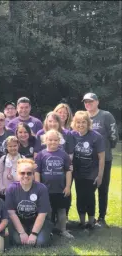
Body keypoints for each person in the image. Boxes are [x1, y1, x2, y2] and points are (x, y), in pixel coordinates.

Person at [82, 92, 119, 227]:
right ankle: (88, 217)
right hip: (87, 160)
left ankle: (101, 218)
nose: (88, 104)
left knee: (102, 188)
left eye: (91, 101)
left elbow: (114, 135)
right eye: (86, 102)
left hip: (105, 159)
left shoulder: (105, 115)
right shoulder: (83, 117)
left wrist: (107, 148)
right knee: (87, 189)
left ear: (97, 102)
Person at [34, 130, 73, 238]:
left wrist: (68, 186)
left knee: (62, 210)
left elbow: (68, 171)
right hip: (46, 189)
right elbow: (37, 172)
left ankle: (63, 230)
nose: (53, 142)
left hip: (61, 189)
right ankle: (48, 230)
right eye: (50, 140)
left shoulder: (63, 154)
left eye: (56, 140)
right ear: (45, 140)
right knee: (48, 211)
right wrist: (38, 187)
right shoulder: (41, 155)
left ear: (59, 141)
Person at [6, 158, 53, 247]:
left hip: (38, 221)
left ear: (33, 174)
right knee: (18, 242)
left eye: (29, 173)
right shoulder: (11, 189)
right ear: (17, 174)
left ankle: (47, 233)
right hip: (20, 222)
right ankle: (25, 232)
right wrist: (22, 232)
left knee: (40, 243)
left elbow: (42, 214)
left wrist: (34, 234)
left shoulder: (41, 188)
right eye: (22, 173)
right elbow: (11, 213)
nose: (26, 176)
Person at [71, 111, 105, 229]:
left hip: (92, 172)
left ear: (88, 123)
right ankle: (82, 222)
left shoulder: (96, 136)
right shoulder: (72, 135)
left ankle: (91, 222)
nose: (81, 125)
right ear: (75, 123)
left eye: (83, 122)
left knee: (89, 196)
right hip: (78, 172)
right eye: (78, 122)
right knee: (80, 196)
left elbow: (101, 157)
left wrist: (100, 175)